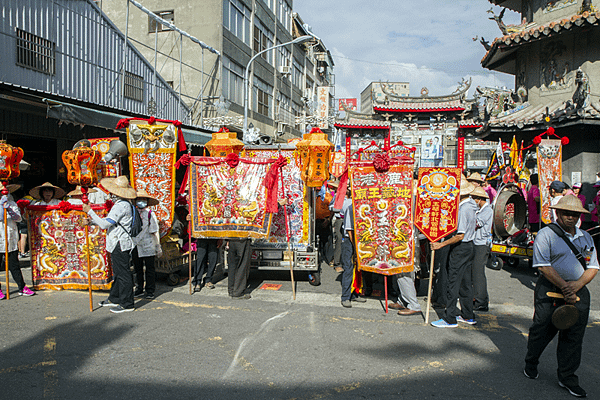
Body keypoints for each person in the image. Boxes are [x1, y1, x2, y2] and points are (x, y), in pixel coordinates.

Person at [523, 195, 598, 398]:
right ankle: (531, 361)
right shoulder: (546, 234)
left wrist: (576, 286)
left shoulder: (585, 237)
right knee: (541, 329)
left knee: (573, 337)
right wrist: (565, 287)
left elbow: (593, 266)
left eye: (575, 214)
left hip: (578, 290)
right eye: (566, 213)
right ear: (558, 213)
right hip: (550, 289)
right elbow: (542, 265)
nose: (571, 217)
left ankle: (567, 377)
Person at [82, 176, 137, 313]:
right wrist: (92, 221)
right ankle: (115, 297)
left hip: (120, 243)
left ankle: (127, 303)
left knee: (122, 273)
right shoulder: (125, 204)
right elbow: (110, 222)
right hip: (119, 242)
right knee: (118, 273)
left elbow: (105, 224)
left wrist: (90, 212)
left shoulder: (120, 206)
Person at [430, 177, 477, 328]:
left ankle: (449, 317)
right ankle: (468, 314)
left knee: (453, 282)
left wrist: (441, 244)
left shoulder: (464, 209)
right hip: (469, 246)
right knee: (465, 283)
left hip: (461, 247)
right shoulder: (472, 205)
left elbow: (459, 235)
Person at [0, 183, 35, 299]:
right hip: (0, 238)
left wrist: (9, 209)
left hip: (10, 239)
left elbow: (19, 218)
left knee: (14, 265)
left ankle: (22, 287)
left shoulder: (12, 204)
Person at [340, 185, 366, 308]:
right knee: (348, 268)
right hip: (350, 241)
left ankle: (355, 293)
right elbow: (350, 231)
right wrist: (356, 247)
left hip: (359, 240)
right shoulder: (351, 208)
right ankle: (345, 297)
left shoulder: (363, 208)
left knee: (358, 268)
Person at [132, 189, 161, 300]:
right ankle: (139, 288)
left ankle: (150, 290)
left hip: (148, 244)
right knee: (137, 268)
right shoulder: (133, 212)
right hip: (136, 243)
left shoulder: (150, 214)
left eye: (143, 199)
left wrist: (158, 246)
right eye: (139, 199)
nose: (141, 201)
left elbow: (155, 231)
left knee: (149, 269)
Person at [471, 187, 493, 312]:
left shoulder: (487, 211)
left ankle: (481, 301)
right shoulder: (481, 210)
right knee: (475, 272)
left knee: (478, 272)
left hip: (481, 243)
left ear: (480, 199)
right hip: (477, 242)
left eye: (474, 199)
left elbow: (476, 223)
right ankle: (478, 297)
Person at [315, 183, 334, 268]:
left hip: (325, 220)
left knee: (327, 240)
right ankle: (317, 258)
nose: (318, 190)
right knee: (314, 241)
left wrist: (328, 220)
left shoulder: (328, 196)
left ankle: (329, 259)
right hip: (314, 221)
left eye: (319, 188)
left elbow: (332, 208)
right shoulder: (312, 195)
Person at [329, 180, 345, 273]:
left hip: (350, 219)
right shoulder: (337, 196)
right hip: (340, 219)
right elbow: (331, 207)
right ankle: (337, 263)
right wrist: (338, 207)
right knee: (339, 239)